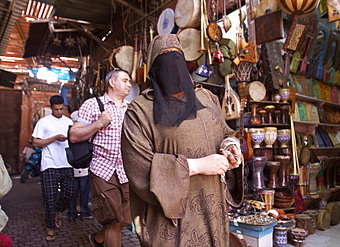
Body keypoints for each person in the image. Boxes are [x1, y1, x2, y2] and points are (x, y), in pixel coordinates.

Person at [121, 34, 244, 247]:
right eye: (164, 56)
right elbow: (138, 166)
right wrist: (197, 165)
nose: (172, 63)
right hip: (172, 217)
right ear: (153, 66)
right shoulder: (140, 110)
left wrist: (230, 147)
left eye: (177, 56)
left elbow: (225, 132)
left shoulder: (206, 98)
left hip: (212, 207)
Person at [69, 68, 132, 247]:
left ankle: (96, 239)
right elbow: (74, 135)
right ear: (112, 82)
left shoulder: (132, 108)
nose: (129, 84)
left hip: (127, 171)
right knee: (112, 221)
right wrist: (99, 123)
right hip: (103, 170)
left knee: (125, 219)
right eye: (125, 80)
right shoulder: (93, 105)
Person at [32, 95, 74, 242]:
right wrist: (54, 138)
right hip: (49, 164)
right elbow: (35, 143)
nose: (59, 112)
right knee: (49, 197)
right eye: (56, 109)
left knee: (68, 194)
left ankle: (57, 211)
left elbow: (74, 139)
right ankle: (50, 227)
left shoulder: (69, 122)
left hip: (67, 163)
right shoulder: (43, 122)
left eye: (61, 109)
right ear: (51, 108)